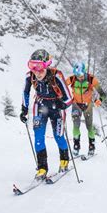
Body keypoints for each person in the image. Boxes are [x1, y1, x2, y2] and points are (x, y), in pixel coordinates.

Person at [20, 49, 73, 180]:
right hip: (40, 106)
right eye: (33, 66)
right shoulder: (29, 76)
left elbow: (69, 98)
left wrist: (63, 105)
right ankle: (42, 168)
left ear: (47, 65)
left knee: (58, 136)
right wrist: (24, 109)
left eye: (40, 67)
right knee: (38, 137)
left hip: (57, 109)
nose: (37, 71)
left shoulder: (57, 76)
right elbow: (25, 93)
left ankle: (64, 160)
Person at [66, 62, 106, 156]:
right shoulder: (71, 79)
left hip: (88, 106)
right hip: (76, 105)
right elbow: (61, 86)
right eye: (77, 75)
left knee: (89, 127)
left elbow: (103, 94)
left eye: (80, 75)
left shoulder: (91, 79)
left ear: (84, 72)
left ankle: (91, 147)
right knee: (76, 125)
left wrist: (99, 101)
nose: (79, 77)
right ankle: (76, 146)